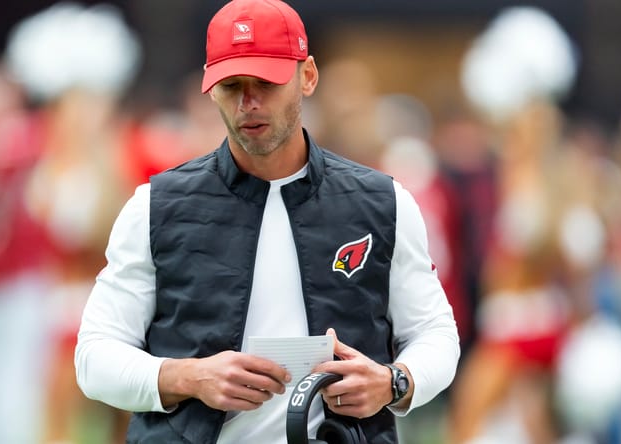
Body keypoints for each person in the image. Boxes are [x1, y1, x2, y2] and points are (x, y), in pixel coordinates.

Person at [75, 1, 460, 443]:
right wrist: (189, 376)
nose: (248, 103)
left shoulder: (383, 202)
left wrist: (394, 383)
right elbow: (94, 357)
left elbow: (434, 334)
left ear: (308, 76)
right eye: (231, 85)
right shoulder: (154, 206)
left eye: (266, 83)